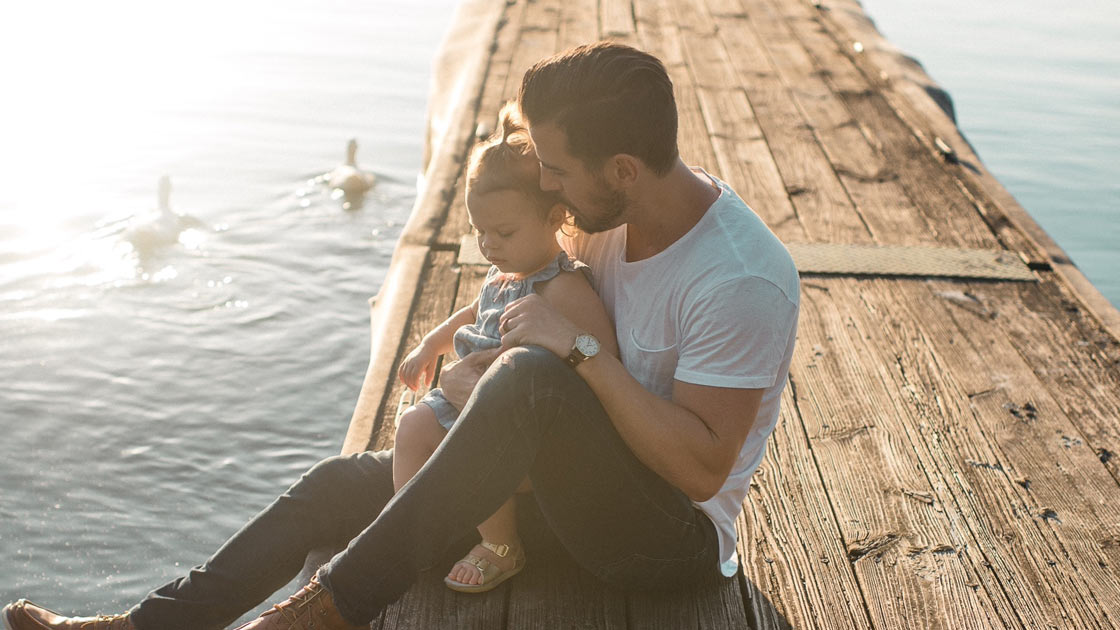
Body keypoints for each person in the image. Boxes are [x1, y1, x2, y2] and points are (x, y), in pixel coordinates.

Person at [2, 41, 799, 630]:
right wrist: (476, 358)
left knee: (531, 382)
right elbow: (526, 303)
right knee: (334, 486)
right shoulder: (602, 218)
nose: (545, 184)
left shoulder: (740, 278)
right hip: (554, 487)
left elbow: (699, 471)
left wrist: (577, 354)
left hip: (662, 539)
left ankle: (323, 613)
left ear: (622, 169)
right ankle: (148, 627)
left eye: (556, 169)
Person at [392, 103, 617, 593]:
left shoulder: (562, 287)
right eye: (480, 233)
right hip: (467, 394)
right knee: (410, 426)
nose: (489, 246)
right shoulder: (505, 271)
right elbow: (473, 312)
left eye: (504, 232)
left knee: (476, 452)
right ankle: (412, 530)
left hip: (516, 421)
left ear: (556, 216)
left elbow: (602, 357)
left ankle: (502, 545)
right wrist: (432, 344)